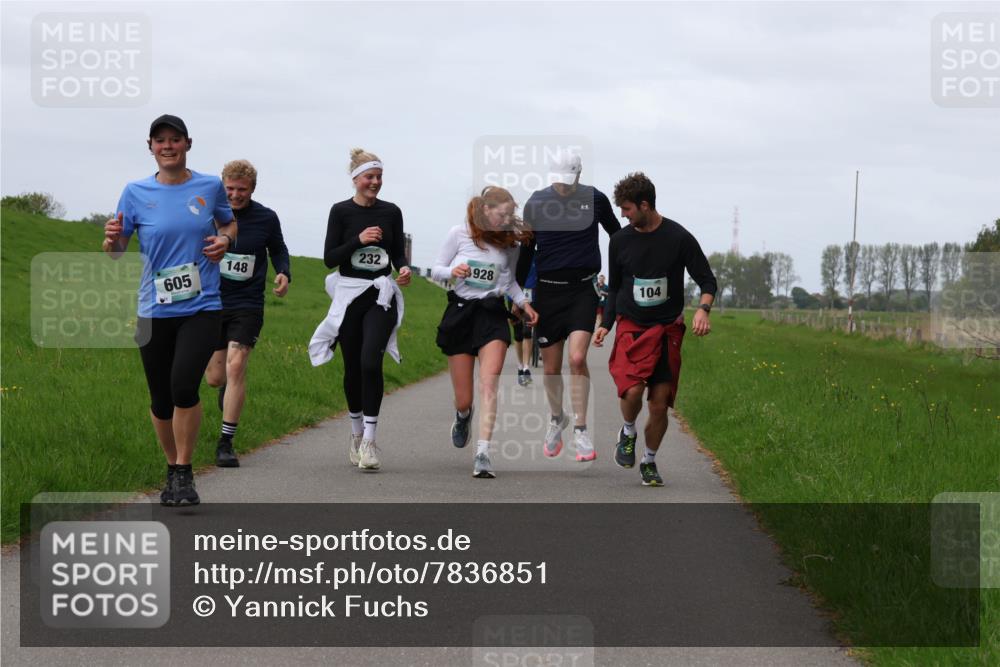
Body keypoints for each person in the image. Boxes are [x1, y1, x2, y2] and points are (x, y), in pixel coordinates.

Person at [103, 114, 237, 506]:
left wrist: (226, 241)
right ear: (150, 147)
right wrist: (110, 241)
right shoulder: (134, 192)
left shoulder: (209, 186)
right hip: (154, 309)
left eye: (175, 139)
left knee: (183, 386)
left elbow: (229, 225)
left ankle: (184, 470)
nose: (167, 146)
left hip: (202, 306)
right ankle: (171, 467)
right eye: (160, 140)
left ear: (187, 144)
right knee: (161, 399)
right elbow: (116, 252)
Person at [593, 172, 717, 486]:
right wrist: (606, 324)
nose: (623, 215)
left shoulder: (679, 237)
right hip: (632, 325)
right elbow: (615, 288)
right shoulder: (620, 241)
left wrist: (703, 310)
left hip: (666, 329)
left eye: (627, 209)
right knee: (633, 389)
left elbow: (707, 280)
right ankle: (628, 431)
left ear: (645, 205)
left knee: (659, 404)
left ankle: (649, 461)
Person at [308, 148, 411, 472]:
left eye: (379, 176)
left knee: (370, 362)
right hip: (350, 297)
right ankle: (355, 433)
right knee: (352, 367)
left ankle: (369, 440)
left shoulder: (391, 212)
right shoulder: (341, 211)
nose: (375, 182)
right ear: (355, 179)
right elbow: (330, 258)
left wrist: (404, 268)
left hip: (380, 297)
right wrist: (359, 239)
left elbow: (397, 254)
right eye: (369, 176)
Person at [519, 149, 621, 461]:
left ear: (579, 174)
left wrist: (626, 270)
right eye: (559, 181)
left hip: (582, 290)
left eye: (569, 180)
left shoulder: (595, 199)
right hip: (548, 292)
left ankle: (581, 429)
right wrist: (518, 295)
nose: (563, 186)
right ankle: (556, 419)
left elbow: (617, 236)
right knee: (551, 368)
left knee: (577, 358)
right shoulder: (537, 202)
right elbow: (526, 251)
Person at [432, 187, 539, 478]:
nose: (506, 221)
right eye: (501, 215)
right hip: (461, 314)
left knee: (489, 383)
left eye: (510, 216)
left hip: (492, 315)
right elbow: (436, 269)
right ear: (485, 210)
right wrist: (453, 272)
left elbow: (510, 282)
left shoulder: (510, 244)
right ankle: (463, 415)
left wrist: (524, 304)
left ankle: (483, 453)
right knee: (464, 399)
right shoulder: (459, 234)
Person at [203, 159, 291, 467]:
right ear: (222, 186)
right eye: (229, 188)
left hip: (248, 303)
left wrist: (284, 272)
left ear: (252, 189)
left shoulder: (266, 218)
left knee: (237, 364)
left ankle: (225, 443)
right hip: (212, 302)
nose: (235, 195)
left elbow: (278, 248)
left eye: (242, 189)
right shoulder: (209, 215)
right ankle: (226, 388)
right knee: (215, 378)